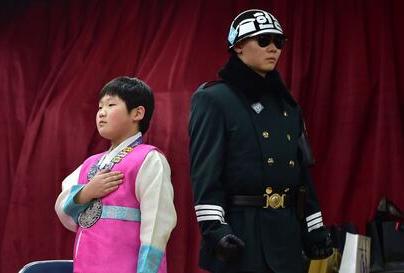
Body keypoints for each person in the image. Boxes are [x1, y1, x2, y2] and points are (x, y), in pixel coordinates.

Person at [189, 9, 333, 273]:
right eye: (264, 40)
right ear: (238, 46)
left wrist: (314, 228)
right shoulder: (214, 99)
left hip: (286, 235)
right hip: (242, 234)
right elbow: (205, 174)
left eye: (279, 42)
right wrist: (215, 229)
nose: (273, 49)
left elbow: (303, 176)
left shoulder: (288, 107)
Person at [55, 76, 177, 273]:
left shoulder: (148, 159)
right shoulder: (90, 164)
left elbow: (157, 226)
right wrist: (86, 192)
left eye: (111, 105)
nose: (102, 113)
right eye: (100, 107)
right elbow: (64, 212)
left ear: (137, 113)